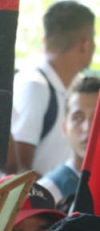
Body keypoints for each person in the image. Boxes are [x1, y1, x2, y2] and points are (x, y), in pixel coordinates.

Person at [11, 0, 95, 175]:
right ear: (85, 43)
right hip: (44, 201)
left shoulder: (73, 88)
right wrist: (54, 191)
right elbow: (18, 169)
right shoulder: (35, 86)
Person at [37, 74, 100, 207]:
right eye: (78, 118)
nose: (88, 128)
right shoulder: (48, 193)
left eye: (96, 118)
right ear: (65, 128)